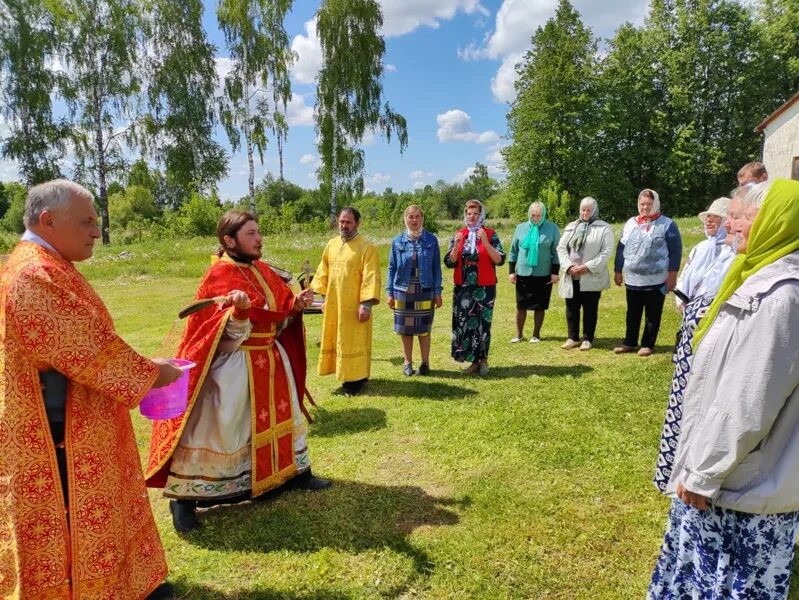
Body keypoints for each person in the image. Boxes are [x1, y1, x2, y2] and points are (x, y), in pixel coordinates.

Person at [0, 180, 183, 600]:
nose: (96, 232)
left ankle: (123, 582)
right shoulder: (34, 274)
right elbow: (86, 351)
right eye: (86, 222)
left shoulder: (48, 263)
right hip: (58, 431)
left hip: (77, 416)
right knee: (71, 513)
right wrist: (153, 372)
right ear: (47, 220)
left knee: (107, 504)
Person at [648, 179, 799, 599]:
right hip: (728, 480)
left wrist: (702, 472)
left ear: (778, 224)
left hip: (740, 489)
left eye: (748, 217)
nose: (735, 225)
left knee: (723, 583)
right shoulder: (754, 277)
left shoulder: (782, 298)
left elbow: (747, 401)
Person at [146, 211, 330, 533]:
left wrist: (296, 307)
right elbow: (215, 337)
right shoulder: (217, 277)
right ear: (229, 241)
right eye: (251, 233)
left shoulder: (262, 269)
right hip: (233, 369)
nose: (259, 238)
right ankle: (185, 499)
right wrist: (240, 315)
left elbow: (279, 317)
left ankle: (293, 473)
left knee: (285, 420)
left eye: (259, 232)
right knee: (221, 428)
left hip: (271, 362)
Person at [653, 192, 740, 493]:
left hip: (712, 337)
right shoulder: (704, 249)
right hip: (692, 329)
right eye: (710, 218)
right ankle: (676, 471)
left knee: (700, 404)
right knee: (684, 405)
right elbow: (691, 281)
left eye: (720, 219)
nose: (713, 223)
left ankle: (692, 474)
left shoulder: (735, 257)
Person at [312, 207, 381, 395]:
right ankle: (343, 372)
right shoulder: (331, 245)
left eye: (348, 222)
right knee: (337, 337)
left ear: (357, 223)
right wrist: (323, 299)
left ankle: (356, 380)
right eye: (342, 221)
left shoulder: (367, 247)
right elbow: (323, 272)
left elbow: (371, 276)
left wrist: (365, 305)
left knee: (354, 340)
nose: (344, 225)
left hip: (354, 306)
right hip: (334, 304)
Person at [613, 189, 682, 357]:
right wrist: (617, 270)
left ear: (656, 204)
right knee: (632, 313)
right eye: (642, 204)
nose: (645, 208)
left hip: (656, 279)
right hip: (633, 279)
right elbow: (622, 247)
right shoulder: (631, 223)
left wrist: (672, 277)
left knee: (653, 313)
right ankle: (629, 342)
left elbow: (675, 252)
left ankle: (648, 344)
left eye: (649, 204)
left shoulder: (667, 224)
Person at [444, 199, 505, 375]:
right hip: (463, 287)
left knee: (483, 324)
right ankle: (472, 361)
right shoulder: (459, 234)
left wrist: (485, 242)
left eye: (475, 214)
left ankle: (483, 360)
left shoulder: (490, 234)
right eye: (469, 214)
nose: (471, 217)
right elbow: (449, 262)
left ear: (481, 215)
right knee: (465, 323)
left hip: (484, 287)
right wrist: (456, 245)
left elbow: (499, 260)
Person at [386, 205, 443, 376]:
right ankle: (407, 363)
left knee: (424, 329)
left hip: (425, 288)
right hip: (403, 290)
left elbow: (436, 269)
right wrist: (389, 292)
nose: (414, 220)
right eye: (411, 217)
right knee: (406, 329)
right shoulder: (397, 241)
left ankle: (425, 363)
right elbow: (391, 268)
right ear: (405, 219)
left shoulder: (431, 240)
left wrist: (438, 292)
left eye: (417, 216)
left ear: (422, 218)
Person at [556, 197, 614, 351]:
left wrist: (587, 267)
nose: (585, 212)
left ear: (594, 210)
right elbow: (561, 248)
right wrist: (568, 266)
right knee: (571, 307)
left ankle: (588, 338)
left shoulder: (603, 228)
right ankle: (572, 337)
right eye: (583, 209)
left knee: (590, 308)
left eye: (589, 210)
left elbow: (606, 252)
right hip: (572, 274)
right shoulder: (571, 227)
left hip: (590, 275)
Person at [508, 201, 560, 343]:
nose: (535, 218)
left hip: (543, 273)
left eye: (538, 215)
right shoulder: (520, 228)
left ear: (543, 215)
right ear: (529, 214)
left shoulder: (552, 228)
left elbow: (556, 252)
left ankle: (536, 334)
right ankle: (518, 335)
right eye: (533, 215)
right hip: (523, 272)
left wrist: (555, 272)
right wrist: (512, 271)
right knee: (521, 305)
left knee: (539, 305)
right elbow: (513, 251)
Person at [673, 196, 731, 311]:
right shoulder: (699, 248)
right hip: (689, 312)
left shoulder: (732, 251)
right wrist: (681, 303)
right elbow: (683, 278)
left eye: (716, 216)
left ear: (726, 222)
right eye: (708, 216)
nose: (709, 220)